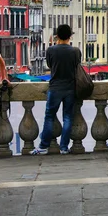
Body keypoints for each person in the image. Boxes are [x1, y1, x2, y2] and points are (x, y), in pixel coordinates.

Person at [31, 24, 81, 155]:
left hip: (55, 87)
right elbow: (77, 66)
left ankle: (43, 146)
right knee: (68, 117)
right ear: (70, 36)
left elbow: (49, 65)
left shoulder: (51, 50)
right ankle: (64, 147)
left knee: (49, 117)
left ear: (57, 36)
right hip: (70, 88)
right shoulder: (75, 51)